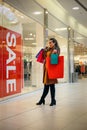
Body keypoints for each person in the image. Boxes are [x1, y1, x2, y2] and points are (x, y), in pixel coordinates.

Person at [36, 38, 60, 106]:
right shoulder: (49, 49)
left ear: (54, 43)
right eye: (49, 43)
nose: (49, 44)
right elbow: (44, 57)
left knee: (51, 85)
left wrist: (55, 54)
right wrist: (44, 51)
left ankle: (51, 100)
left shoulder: (56, 49)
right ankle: (43, 99)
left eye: (50, 42)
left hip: (52, 69)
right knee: (46, 85)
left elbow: (55, 60)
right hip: (46, 68)